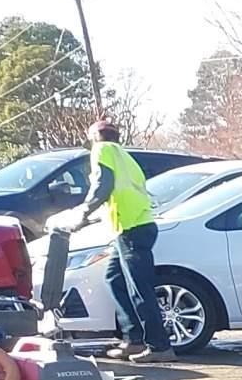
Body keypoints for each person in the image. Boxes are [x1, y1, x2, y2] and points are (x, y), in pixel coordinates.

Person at [67, 120, 176, 358]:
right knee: (114, 278)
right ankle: (133, 339)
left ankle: (159, 346)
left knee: (140, 288)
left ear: (95, 135)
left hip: (131, 228)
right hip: (133, 226)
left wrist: (83, 212)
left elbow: (102, 185)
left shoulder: (102, 150)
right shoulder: (124, 155)